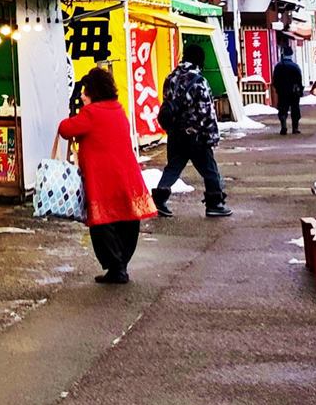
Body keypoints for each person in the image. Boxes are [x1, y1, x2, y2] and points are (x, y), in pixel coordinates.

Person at [58, 67, 158, 284]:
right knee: (128, 219)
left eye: (85, 91)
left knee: (103, 223)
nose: (83, 95)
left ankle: (116, 267)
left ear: (92, 91)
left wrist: (78, 109)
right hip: (127, 175)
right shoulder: (117, 109)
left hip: (103, 179)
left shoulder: (91, 113)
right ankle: (120, 265)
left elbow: (65, 129)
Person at [154, 40, 231, 218]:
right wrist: (211, 136)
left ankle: (158, 199)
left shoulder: (170, 78)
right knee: (210, 170)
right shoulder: (199, 81)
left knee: (173, 167)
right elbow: (206, 113)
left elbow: (168, 104)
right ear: (199, 61)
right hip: (196, 135)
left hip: (175, 134)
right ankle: (215, 204)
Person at [270, 48, 304, 136]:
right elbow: (299, 80)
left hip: (282, 92)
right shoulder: (295, 66)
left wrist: (278, 89)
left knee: (282, 109)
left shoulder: (278, 66)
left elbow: (275, 80)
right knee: (295, 109)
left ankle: (283, 126)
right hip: (294, 92)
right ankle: (295, 128)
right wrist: (300, 90)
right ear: (291, 55)